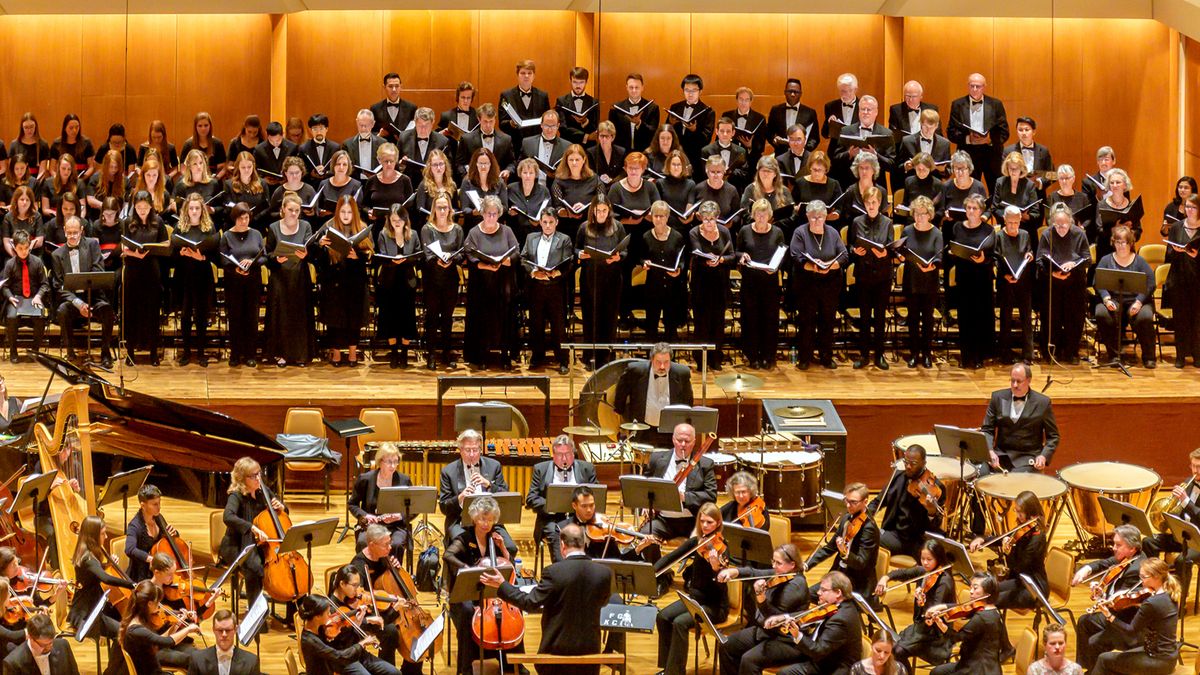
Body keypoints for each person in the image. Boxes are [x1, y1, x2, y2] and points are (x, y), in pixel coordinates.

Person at [481, 523, 613, 675]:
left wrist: (502, 585)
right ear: (585, 543)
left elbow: (530, 603)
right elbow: (603, 602)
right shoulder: (604, 572)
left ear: (562, 545)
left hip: (556, 654)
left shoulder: (554, 572)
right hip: (590, 654)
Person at [442, 496, 522, 675]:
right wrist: (468, 569)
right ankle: (465, 667)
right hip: (466, 593)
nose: (486, 524)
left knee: (514, 606)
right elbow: (448, 555)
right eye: (482, 519)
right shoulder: (465, 537)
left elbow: (509, 567)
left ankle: (513, 662)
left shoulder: (495, 539)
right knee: (467, 612)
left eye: (490, 519)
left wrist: (503, 548)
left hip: (490, 594)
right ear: (474, 519)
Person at [655, 503, 728, 675]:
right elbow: (671, 557)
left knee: (680, 623)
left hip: (714, 606)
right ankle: (666, 668)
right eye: (702, 521)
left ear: (718, 523)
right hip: (695, 600)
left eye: (709, 522)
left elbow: (720, 587)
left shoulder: (723, 549)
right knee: (662, 617)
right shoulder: (697, 542)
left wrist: (716, 568)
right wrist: (652, 572)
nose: (705, 526)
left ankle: (675, 672)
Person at [716, 543, 809, 675]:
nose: (774, 566)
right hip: (766, 632)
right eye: (773, 561)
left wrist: (761, 598)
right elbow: (754, 573)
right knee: (727, 645)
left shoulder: (796, 586)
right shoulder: (780, 574)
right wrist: (733, 572)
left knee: (749, 661)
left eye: (778, 563)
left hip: (786, 639)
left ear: (792, 565)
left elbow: (775, 619)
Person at [640, 423, 717, 567]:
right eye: (679, 440)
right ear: (673, 439)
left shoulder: (705, 464)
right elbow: (644, 487)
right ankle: (659, 574)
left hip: (693, 521)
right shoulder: (657, 459)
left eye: (687, 441)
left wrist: (684, 497)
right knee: (645, 535)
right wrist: (646, 504)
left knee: (706, 540)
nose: (683, 445)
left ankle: (692, 575)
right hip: (664, 520)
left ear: (694, 442)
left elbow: (711, 496)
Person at [1071, 524, 1145, 671]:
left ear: (1132, 548)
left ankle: (1098, 671)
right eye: (1114, 544)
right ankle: (1087, 669)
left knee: (1094, 642)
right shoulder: (1127, 558)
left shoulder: (1136, 570)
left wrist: (1102, 597)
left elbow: (1119, 604)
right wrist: (1086, 569)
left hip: (1125, 621)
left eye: (1118, 545)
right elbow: (1103, 563)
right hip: (1116, 613)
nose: (1114, 548)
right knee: (1084, 622)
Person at [875, 539, 956, 671]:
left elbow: (933, 615)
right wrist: (885, 578)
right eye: (923, 558)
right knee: (893, 647)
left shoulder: (944, 582)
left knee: (897, 651)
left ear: (938, 558)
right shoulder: (924, 572)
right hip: (921, 627)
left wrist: (922, 601)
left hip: (936, 634)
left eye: (929, 559)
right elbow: (902, 573)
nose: (925, 563)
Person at [1091, 557, 1179, 674]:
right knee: (1112, 654)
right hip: (1169, 656)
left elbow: (1130, 631)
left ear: (1156, 577)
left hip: (1157, 660)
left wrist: (1108, 614)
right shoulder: (1171, 594)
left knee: (1104, 659)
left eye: (1143, 577)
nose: (1141, 581)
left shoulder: (1152, 602)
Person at [219, 457, 286, 611]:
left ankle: (290, 609)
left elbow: (282, 513)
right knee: (254, 568)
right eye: (253, 475)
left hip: (261, 543)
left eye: (259, 473)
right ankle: (256, 613)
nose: (258, 478)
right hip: (237, 544)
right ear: (242, 478)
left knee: (286, 563)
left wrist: (282, 508)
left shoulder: (264, 491)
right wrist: (251, 527)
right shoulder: (236, 496)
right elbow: (227, 517)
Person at [463, 195, 519, 369]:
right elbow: (469, 253)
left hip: (503, 282)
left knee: (505, 317)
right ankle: (481, 355)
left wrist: (508, 260)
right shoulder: (474, 232)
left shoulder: (507, 231)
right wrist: (483, 265)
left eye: (495, 214)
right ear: (482, 213)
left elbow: (516, 251)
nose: (491, 217)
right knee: (482, 318)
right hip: (482, 283)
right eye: (488, 213)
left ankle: (505, 354)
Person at [790, 200, 847, 370]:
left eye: (820, 217)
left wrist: (830, 266)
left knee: (827, 320)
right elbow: (796, 256)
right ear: (807, 216)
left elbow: (844, 255)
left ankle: (826, 356)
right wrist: (813, 267)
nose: (816, 220)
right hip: (807, 283)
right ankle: (805, 357)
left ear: (825, 217)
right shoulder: (800, 232)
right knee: (806, 321)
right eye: (813, 217)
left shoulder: (833, 233)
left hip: (830, 283)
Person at [50, 216, 114, 366]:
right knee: (62, 311)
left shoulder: (92, 245)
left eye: (75, 232)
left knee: (107, 310)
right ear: (64, 231)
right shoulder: (57, 255)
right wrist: (79, 303)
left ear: (81, 231)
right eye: (69, 233)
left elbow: (98, 270)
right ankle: (70, 351)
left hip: (94, 295)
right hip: (73, 300)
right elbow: (58, 286)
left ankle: (105, 351)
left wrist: (88, 298)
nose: (72, 236)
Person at [771, 571, 864, 675]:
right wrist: (784, 618)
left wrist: (798, 635)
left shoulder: (841, 619)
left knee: (784, 673)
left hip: (832, 666)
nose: (818, 592)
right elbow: (812, 614)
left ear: (838, 593)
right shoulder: (839, 605)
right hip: (824, 654)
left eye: (823, 590)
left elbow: (819, 651)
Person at [317, 195, 373, 366]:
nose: (346, 215)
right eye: (343, 212)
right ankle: (335, 353)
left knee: (354, 318)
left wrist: (358, 256)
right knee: (334, 317)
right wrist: (321, 245)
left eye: (349, 212)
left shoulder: (362, 228)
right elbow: (318, 258)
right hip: (334, 279)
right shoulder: (329, 226)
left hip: (355, 279)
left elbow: (371, 255)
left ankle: (352, 353)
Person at [969, 490, 1048, 609]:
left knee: (989, 602)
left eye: (1020, 512)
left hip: (1034, 588)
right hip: (1020, 581)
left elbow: (1020, 566)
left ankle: (989, 619)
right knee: (986, 593)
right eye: (1016, 511)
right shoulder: (1024, 528)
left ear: (1031, 513)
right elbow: (1004, 537)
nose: (1017, 515)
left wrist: (1008, 552)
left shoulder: (1037, 538)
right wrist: (982, 539)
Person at [263, 192, 316, 368]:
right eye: (291, 210)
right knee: (281, 316)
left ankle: (300, 354)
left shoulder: (306, 226)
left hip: (299, 277)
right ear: (283, 209)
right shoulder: (273, 227)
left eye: (297, 210)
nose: (294, 213)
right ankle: (281, 354)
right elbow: (268, 254)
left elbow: (311, 252)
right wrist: (275, 259)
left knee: (299, 316)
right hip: (280, 277)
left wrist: (306, 254)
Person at [326, 564, 411, 673]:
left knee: (395, 672)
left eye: (358, 585)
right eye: (354, 585)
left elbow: (376, 625)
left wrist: (390, 610)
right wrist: (363, 623)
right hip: (345, 657)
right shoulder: (331, 610)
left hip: (360, 654)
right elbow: (344, 640)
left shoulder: (352, 601)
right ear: (342, 584)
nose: (358, 590)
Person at [437, 429, 515, 547]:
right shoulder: (448, 472)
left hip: (490, 522)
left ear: (480, 449)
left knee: (510, 547)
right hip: (460, 522)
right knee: (462, 548)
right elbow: (444, 507)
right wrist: (460, 498)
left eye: (475, 450)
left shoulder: (494, 466)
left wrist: (488, 484)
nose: (472, 454)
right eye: (468, 450)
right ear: (460, 450)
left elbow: (505, 495)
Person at [69, 515, 132, 654]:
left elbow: (93, 573)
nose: (106, 536)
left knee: (126, 623)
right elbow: (105, 579)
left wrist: (106, 565)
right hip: (87, 613)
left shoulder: (87, 552)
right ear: (93, 536)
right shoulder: (88, 558)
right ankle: (117, 664)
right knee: (126, 634)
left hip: (95, 604)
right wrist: (132, 584)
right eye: (103, 533)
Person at [1094, 225, 1157, 367]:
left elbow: (1151, 283)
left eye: (1124, 242)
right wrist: (1106, 299)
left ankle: (1149, 357)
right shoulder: (1105, 260)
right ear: (1113, 242)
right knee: (1102, 313)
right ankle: (1114, 355)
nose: (1121, 246)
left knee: (1145, 317)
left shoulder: (1140, 261)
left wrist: (1139, 302)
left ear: (1130, 243)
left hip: (1137, 300)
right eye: (1118, 242)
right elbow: (1097, 282)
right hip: (1113, 300)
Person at [981, 363, 1059, 474]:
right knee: (981, 474)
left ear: (1029, 380)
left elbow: (1053, 436)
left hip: (1027, 458)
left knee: (1015, 481)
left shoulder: (1042, 403)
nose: (1015, 385)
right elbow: (987, 429)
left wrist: (1043, 456)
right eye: (1012, 380)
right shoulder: (997, 398)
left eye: (1019, 381)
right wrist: (990, 451)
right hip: (1000, 456)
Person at [520, 208, 573, 373]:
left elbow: (569, 262)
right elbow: (523, 258)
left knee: (558, 326)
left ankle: (562, 360)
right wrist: (533, 272)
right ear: (540, 223)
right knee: (536, 324)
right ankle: (537, 357)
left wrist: (558, 273)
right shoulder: (531, 238)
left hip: (555, 288)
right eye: (545, 222)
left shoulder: (564, 239)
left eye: (551, 222)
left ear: (557, 222)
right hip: (536, 287)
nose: (548, 225)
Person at [575, 195, 626, 366]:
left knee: (609, 318)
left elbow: (625, 251)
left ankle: (608, 357)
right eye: (598, 211)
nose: (602, 214)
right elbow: (576, 249)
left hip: (612, 279)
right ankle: (590, 356)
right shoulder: (584, 227)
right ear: (593, 211)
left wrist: (619, 257)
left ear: (609, 210)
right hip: (590, 278)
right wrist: (580, 254)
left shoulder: (617, 227)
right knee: (591, 317)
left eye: (605, 210)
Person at [805, 483, 879, 599]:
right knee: (807, 594)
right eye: (846, 500)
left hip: (857, 582)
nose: (848, 505)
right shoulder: (846, 518)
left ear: (865, 502)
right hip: (840, 574)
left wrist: (845, 553)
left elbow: (861, 563)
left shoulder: (869, 528)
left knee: (822, 598)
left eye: (853, 502)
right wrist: (806, 564)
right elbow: (829, 548)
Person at [736, 197, 787, 369]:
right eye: (758, 214)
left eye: (764, 214)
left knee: (769, 319)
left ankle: (768, 356)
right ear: (753, 214)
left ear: (770, 215)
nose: (761, 217)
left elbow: (782, 254)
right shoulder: (744, 231)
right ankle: (752, 356)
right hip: (750, 282)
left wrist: (776, 267)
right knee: (751, 319)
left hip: (770, 282)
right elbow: (737, 252)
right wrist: (741, 256)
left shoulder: (777, 232)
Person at [1038, 203, 1091, 364]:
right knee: (1052, 317)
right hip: (1053, 282)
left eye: (1064, 225)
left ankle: (1071, 352)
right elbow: (1040, 260)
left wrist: (1073, 263)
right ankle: (1051, 352)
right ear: (1052, 223)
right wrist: (1052, 273)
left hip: (1074, 281)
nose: (1061, 228)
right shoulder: (1047, 234)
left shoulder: (1079, 234)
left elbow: (1087, 258)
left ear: (1070, 221)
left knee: (1074, 318)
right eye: (1057, 225)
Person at [612, 343, 694, 446]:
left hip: (670, 431)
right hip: (642, 429)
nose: (662, 366)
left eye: (666, 362)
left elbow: (688, 401)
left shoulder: (682, 373)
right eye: (658, 362)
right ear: (651, 360)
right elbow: (621, 393)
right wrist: (620, 414)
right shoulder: (635, 371)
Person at [848, 186, 894, 370]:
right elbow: (851, 245)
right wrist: (855, 251)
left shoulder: (887, 223)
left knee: (880, 317)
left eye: (874, 202)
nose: (871, 206)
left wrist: (886, 253)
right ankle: (864, 354)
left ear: (880, 203)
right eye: (868, 203)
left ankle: (880, 354)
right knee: (865, 317)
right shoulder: (857, 222)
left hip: (883, 276)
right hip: (864, 274)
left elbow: (892, 247)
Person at [869, 444, 944, 557]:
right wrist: (861, 517)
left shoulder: (936, 488)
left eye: (913, 463)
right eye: (906, 462)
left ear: (924, 463)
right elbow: (877, 502)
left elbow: (936, 524)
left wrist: (931, 511)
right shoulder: (897, 477)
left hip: (918, 540)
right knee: (866, 533)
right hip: (895, 535)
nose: (908, 466)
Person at [121, 190, 168, 365]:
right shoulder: (127, 222)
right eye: (139, 207)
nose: (142, 210)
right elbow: (123, 247)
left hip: (151, 269)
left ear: (151, 207)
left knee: (152, 311)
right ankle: (130, 352)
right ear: (134, 207)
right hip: (133, 269)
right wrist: (135, 253)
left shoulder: (158, 222)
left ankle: (153, 352)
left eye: (145, 207)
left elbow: (166, 243)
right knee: (132, 312)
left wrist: (153, 248)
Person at [926, 572, 1006, 675]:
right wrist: (942, 608)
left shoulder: (981, 618)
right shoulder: (993, 611)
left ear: (987, 592)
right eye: (971, 587)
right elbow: (963, 607)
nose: (971, 591)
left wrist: (940, 624)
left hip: (978, 669)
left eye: (975, 588)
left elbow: (956, 638)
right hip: (975, 662)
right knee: (936, 672)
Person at [172, 191, 219, 367]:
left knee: (201, 315)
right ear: (186, 209)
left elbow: (216, 254)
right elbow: (171, 254)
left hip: (202, 275)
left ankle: (200, 352)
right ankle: (186, 352)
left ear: (202, 210)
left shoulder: (209, 227)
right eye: (191, 208)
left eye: (197, 208)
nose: (194, 211)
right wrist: (181, 253)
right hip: (184, 275)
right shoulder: (179, 227)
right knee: (185, 315)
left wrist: (202, 257)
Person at [297, 594, 397, 675]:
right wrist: (362, 644)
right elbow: (339, 656)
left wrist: (358, 622)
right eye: (327, 613)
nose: (331, 616)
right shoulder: (310, 641)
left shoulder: (318, 627)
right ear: (317, 617)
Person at [419, 192, 464, 369]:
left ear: (450, 209)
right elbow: (426, 254)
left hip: (450, 278)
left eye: (445, 207)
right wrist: (437, 260)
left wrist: (452, 259)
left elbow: (461, 253)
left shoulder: (457, 229)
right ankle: (431, 354)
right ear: (434, 210)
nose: (443, 211)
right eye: (439, 207)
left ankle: (446, 353)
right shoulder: (427, 229)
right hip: (432, 278)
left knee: (447, 317)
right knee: (431, 317)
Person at [688, 200, 736, 368]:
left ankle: (716, 359)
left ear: (717, 218)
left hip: (719, 282)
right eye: (705, 219)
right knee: (701, 322)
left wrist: (721, 260)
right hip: (701, 283)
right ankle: (701, 360)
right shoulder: (694, 232)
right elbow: (697, 252)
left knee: (718, 321)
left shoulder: (724, 231)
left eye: (712, 219)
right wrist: (708, 260)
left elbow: (732, 255)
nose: (708, 222)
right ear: (701, 218)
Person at [950, 194, 995, 368]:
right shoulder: (957, 227)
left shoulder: (988, 230)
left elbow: (993, 255)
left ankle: (978, 356)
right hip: (964, 277)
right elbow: (951, 246)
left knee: (979, 317)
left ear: (981, 211)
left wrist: (983, 259)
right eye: (968, 207)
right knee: (965, 317)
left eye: (974, 208)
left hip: (981, 278)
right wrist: (953, 252)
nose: (970, 211)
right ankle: (966, 355)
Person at [220, 203, 265, 367]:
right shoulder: (226, 236)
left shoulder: (256, 234)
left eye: (246, 218)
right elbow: (223, 259)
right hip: (234, 281)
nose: (244, 222)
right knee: (235, 316)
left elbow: (264, 257)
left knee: (251, 317)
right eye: (241, 219)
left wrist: (252, 261)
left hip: (253, 279)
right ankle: (235, 353)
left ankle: (250, 354)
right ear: (234, 218)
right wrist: (236, 269)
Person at [349, 443, 412, 559]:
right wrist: (365, 515)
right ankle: (367, 569)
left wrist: (399, 516)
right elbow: (352, 504)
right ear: (380, 461)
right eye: (389, 462)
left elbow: (412, 507)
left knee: (396, 544)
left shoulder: (404, 480)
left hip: (395, 526)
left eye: (396, 461)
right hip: (371, 526)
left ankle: (393, 570)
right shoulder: (365, 479)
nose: (393, 466)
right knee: (363, 543)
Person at [946, 73, 1009, 186]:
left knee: (996, 189)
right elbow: (951, 132)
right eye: (972, 86)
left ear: (984, 87)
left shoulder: (996, 104)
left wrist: (989, 139)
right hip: (968, 154)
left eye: (978, 86)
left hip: (991, 154)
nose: (974, 89)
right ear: (968, 86)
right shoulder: (957, 104)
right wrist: (968, 139)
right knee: (968, 189)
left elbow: (1004, 132)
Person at [995, 205, 1036, 364]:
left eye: (1016, 222)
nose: (1013, 226)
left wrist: (1030, 255)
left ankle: (1028, 354)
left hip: (1023, 281)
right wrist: (1004, 275)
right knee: (1005, 318)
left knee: (1026, 317)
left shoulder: (1025, 234)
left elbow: (1029, 251)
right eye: (1010, 222)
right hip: (1006, 281)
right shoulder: (999, 236)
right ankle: (1004, 353)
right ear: (1004, 220)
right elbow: (996, 259)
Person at [1165, 193, 1200, 367]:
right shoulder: (1177, 227)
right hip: (1179, 277)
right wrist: (1177, 251)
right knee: (1180, 318)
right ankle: (1180, 355)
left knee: (1197, 318)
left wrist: (1197, 255)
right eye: (1187, 207)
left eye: (1193, 207)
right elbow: (1168, 253)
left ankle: (1197, 354)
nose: (1189, 210)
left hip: (1197, 279)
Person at [0, 230, 47, 362]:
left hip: (33, 298)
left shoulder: (37, 262)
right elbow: (4, 286)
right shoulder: (10, 264)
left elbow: (44, 284)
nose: (24, 251)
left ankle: (35, 351)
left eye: (26, 248)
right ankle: (13, 351)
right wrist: (10, 297)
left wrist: (38, 296)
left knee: (41, 317)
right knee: (11, 317)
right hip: (16, 298)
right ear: (14, 247)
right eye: (20, 248)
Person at [184, 609, 261, 675]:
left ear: (235, 629)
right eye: (220, 630)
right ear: (214, 630)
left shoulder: (251, 662)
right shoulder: (197, 659)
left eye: (228, 630)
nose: (224, 634)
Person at [123, 484, 175, 582]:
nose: (159, 507)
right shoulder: (134, 526)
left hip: (159, 573)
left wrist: (173, 533)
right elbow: (129, 549)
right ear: (143, 505)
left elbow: (168, 539)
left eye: (159, 503)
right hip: (141, 577)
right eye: (155, 504)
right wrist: (151, 559)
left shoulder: (159, 518)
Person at [2, 612, 81, 675]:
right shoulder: (13, 663)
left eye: (51, 642)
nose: (49, 647)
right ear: (30, 637)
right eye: (43, 645)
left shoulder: (63, 645)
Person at [990, 150, 1044, 243]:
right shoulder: (1000, 182)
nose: (1013, 171)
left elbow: (1035, 213)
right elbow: (994, 208)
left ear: (1022, 169)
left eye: (1016, 168)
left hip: (1025, 229)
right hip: (1006, 227)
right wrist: (1008, 217)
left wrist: (1025, 217)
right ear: (1006, 168)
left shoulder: (1029, 185)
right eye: (1010, 168)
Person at [669, 74, 715, 180]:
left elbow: (706, 139)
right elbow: (667, 132)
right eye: (687, 90)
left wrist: (695, 130)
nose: (690, 94)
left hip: (696, 159)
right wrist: (671, 124)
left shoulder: (708, 111)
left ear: (700, 91)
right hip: (676, 156)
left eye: (694, 90)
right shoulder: (675, 107)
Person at [455, 104, 516, 184]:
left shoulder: (506, 139)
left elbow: (512, 162)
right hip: (473, 183)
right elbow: (459, 164)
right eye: (485, 121)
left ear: (495, 119)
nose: (488, 125)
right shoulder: (466, 139)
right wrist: (467, 176)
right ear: (479, 119)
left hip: (497, 184)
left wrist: (507, 170)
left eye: (491, 121)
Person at [552, 144, 601, 240]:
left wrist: (588, 208)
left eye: (577, 159)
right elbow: (557, 207)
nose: (574, 163)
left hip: (590, 225)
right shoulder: (559, 180)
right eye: (571, 160)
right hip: (566, 227)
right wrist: (567, 213)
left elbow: (602, 201)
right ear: (566, 161)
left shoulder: (594, 178)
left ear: (584, 160)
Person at [821, 73, 861, 188]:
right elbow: (824, 134)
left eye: (849, 91)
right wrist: (829, 124)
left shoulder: (863, 107)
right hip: (836, 156)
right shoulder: (831, 106)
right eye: (842, 91)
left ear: (855, 89)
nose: (845, 94)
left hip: (856, 156)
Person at [1094, 168, 1142, 262]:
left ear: (1125, 185)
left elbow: (1138, 231)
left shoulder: (1132, 206)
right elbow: (1099, 229)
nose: (1115, 185)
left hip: (1127, 252)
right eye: (1112, 183)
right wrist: (1115, 229)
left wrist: (1127, 232)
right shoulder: (1101, 205)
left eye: (1118, 182)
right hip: (1106, 252)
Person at [498, 60, 551, 143]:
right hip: (514, 143)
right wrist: (510, 123)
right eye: (523, 73)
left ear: (534, 76)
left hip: (536, 143)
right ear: (517, 75)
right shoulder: (506, 96)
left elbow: (548, 121)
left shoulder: (543, 96)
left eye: (529, 73)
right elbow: (501, 123)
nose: (526, 76)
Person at [610, 73, 660, 154]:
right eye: (631, 87)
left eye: (637, 87)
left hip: (645, 153)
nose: (634, 90)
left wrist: (639, 123)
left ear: (642, 88)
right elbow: (612, 133)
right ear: (626, 87)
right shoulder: (616, 108)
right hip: (621, 153)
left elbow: (653, 132)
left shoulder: (652, 108)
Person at [767, 79, 819, 156]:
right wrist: (774, 140)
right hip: (780, 155)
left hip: (802, 157)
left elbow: (814, 138)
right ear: (785, 92)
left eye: (796, 92)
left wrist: (804, 150)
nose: (792, 94)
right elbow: (769, 132)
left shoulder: (810, 113)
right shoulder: (775, 110)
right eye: (790, 91)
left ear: (800, 94)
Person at [702, 117, 750, 190]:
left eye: (728, 131)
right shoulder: (706, 151)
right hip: (712, 190)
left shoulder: (741, 151)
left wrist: (730, 171)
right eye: (722, 131)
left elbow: (744, 174)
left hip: (734, 189)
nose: (725, 134)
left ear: (733, 133)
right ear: (717, 131)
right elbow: (703, 174)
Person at [342, 110, 385, 183]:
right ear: (357, 122)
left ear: (373, 124)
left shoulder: (383, 143)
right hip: (354, 183)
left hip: (376, 183)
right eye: (361, 125)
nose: (363, 129)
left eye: (366, 125)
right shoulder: (347, 144)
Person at [298, 114, 339, 186]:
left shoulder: (335, 148)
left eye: (321, 128)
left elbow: (338, 169)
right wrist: (311, 174)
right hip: (311, 187)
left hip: (330, 186)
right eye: (315, 129)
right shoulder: (303, 149)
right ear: (310, 130)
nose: (318, 132)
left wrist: (326, 172)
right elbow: (300, 171)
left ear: (326, 129)